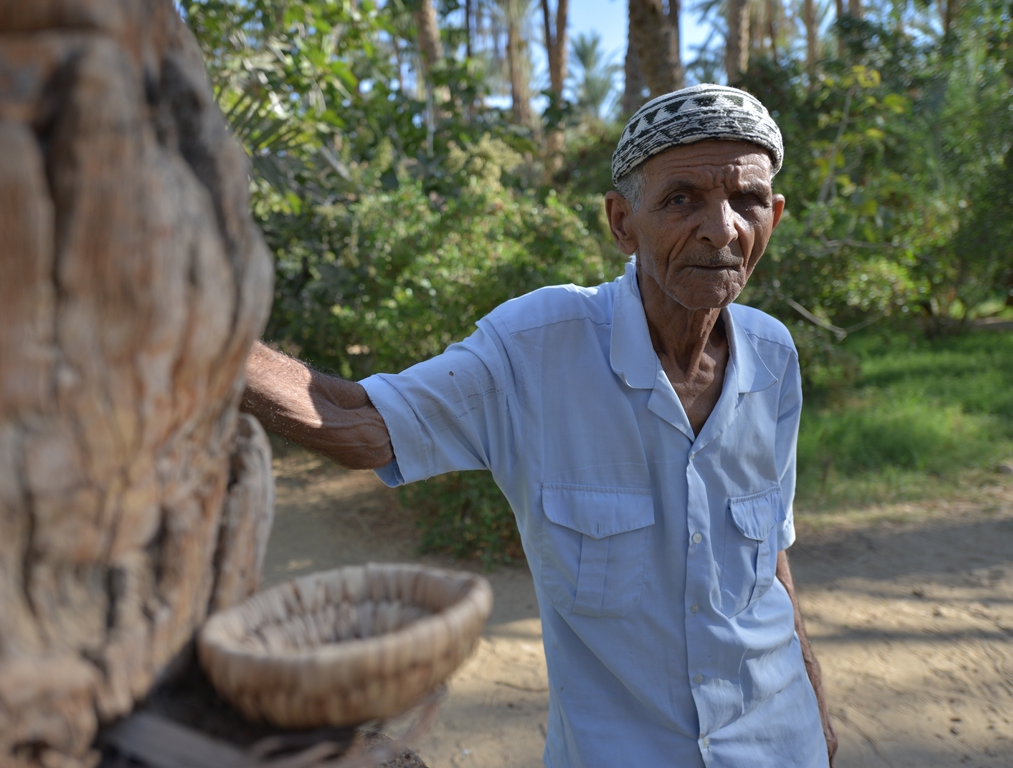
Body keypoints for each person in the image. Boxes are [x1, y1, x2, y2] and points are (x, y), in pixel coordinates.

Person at [241, 84, 838, 768]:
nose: (721, 228)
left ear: (776, 214)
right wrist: (185, 332)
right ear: (621, 222)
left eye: (747, 200)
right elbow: (360, 421)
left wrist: (815, 705)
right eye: (680, 200)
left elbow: (770, 561)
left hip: (778, 745)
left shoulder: (773, 355)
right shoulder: (536, 347)